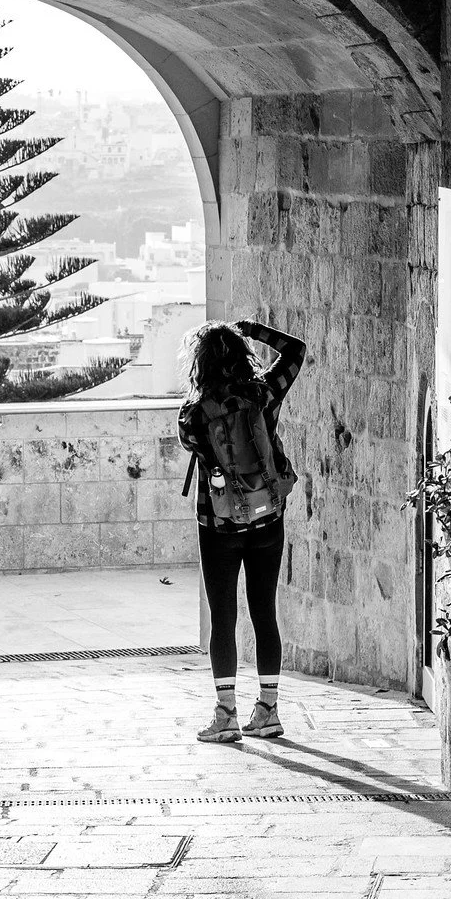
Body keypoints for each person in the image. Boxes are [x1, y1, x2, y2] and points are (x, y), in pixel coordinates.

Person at [176, 317, 307, 744]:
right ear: (242, 355)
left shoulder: (194, 414)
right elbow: (296, 351)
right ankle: (268, 709)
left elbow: (193, 443)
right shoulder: (265, 395)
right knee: (264, 612)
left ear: (200, 364)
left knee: (224, 619)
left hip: (218, 525)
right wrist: (253, 329)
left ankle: (226, 713)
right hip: (268, 517)